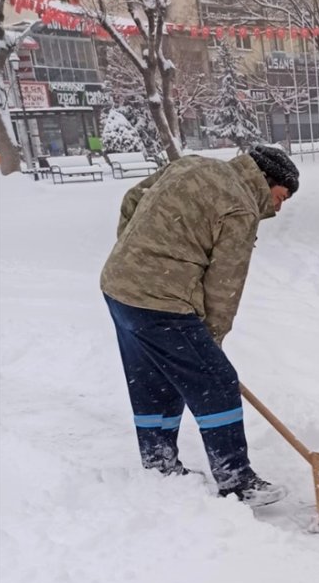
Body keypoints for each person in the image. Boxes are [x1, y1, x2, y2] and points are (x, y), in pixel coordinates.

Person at [100, 145, 299, 506]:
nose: (278, 207)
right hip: (163, 301)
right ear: (267, 181)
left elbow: (132, 198)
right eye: (280, 196)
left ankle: (159, 464)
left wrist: (135, 254)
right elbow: (225, 284)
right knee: (216, 381)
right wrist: (212, 340)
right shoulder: (240, 206)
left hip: (119, 286)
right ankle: (237, 480)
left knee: (153, 378)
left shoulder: (191, 164)